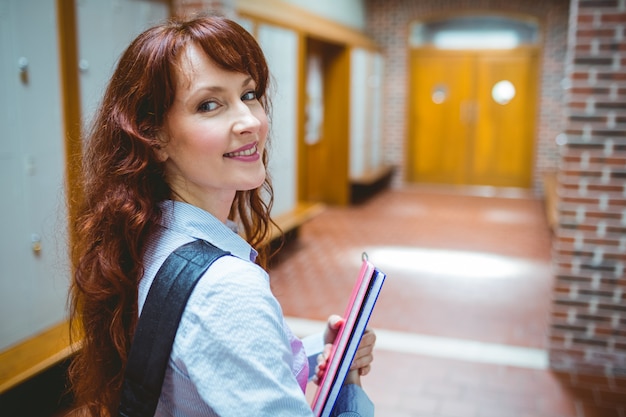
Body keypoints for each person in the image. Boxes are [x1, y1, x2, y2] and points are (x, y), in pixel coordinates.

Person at [68, 15, 376, 417]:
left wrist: (326, 354)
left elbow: (194, 359)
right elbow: (218, 319)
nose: (250, 122)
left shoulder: (148, 235)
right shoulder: (225, 288)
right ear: (154, 136)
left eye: (249, 95)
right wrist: (349, 390)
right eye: (209, 105)